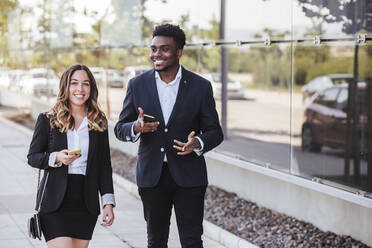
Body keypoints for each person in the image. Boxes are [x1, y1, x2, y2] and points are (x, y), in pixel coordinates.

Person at [114, 24, 224, 248]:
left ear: (179, 52)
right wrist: (135, 127)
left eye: (164, 49)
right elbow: (119, 128)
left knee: (192, 241)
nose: (156, 54)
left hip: (189, 176)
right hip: (152, 176)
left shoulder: (200, 86)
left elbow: (215, 131)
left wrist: (197, 143)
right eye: (154, 49)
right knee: (156, 241)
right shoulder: (137, 84)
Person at [27, 64, 115, 248]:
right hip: (54, 202)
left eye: (85, 84)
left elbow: (104, 166)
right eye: (74, 83)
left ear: (92, 88)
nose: (80, 89)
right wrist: (56, 158)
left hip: (86, 202)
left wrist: (108, 203)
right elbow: (33, 156)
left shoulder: (98, 122)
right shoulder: (48, 119)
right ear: (65, 87)